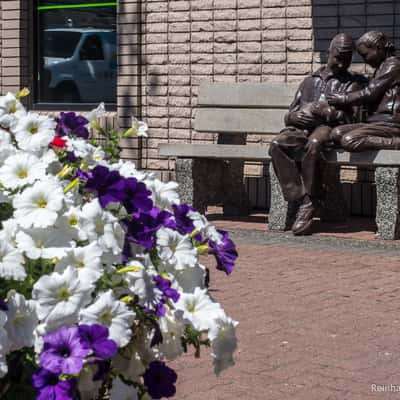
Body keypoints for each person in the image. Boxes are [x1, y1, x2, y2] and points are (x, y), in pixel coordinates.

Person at [269, 33, 362, 235]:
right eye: (338, 57)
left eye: (346, 59)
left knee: (314, 143)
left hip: (328, 130)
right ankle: (301, 197)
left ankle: (309, 203)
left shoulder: (350, 84)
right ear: (330, 53)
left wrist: (331, 113)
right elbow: (290, 112)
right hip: (301, 129)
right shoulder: (310, 81)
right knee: (277, 144)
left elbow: (353, 122)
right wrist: (293, 118)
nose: (341, 63)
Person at [328, 31, 400, 151]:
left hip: (390, 123)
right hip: (376, 122)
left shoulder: (393, 64)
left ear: (378, 48)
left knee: (349, 140)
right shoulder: (381, 68)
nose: (365, 61)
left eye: (365, 55)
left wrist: (344, 98)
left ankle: (395, 143)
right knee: (336, 133)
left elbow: (370, 93)